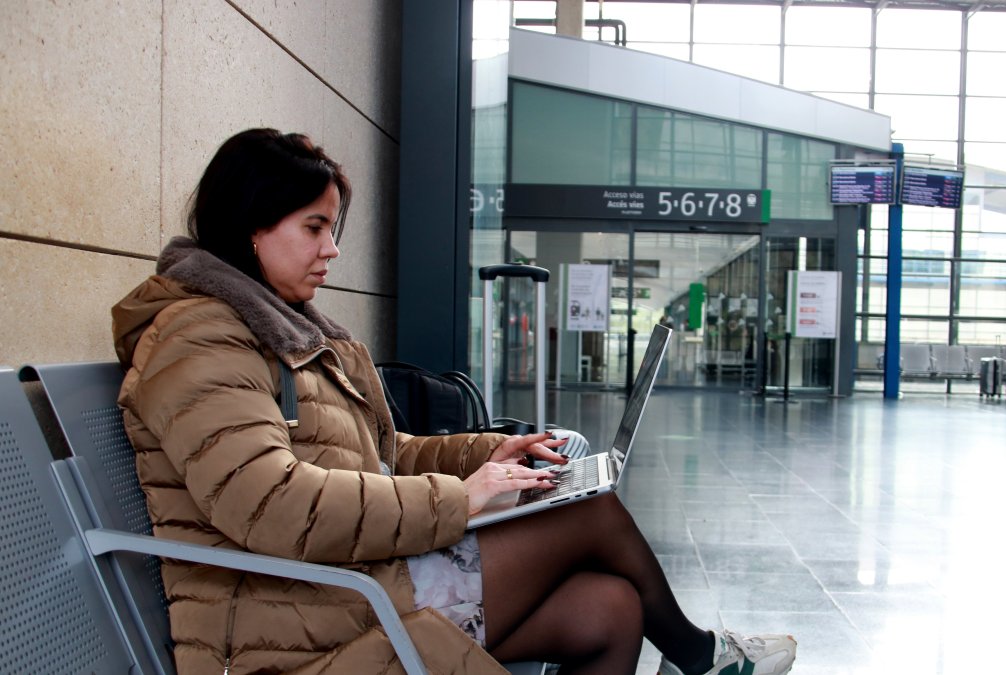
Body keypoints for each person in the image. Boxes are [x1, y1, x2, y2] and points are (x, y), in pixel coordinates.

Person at [112, 128, 797, 675]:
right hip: (290, 623)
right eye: (314, 227)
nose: (333, 248)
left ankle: (704, 659)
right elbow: (272, 502)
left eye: (332, 228)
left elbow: (386, 455)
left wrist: (486, 454)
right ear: (252, 227)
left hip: (343, 580)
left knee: (612, 608)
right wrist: (461, 499)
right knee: (590, 510)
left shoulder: (284, 326)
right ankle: (704, 659)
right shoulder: (200, 337)